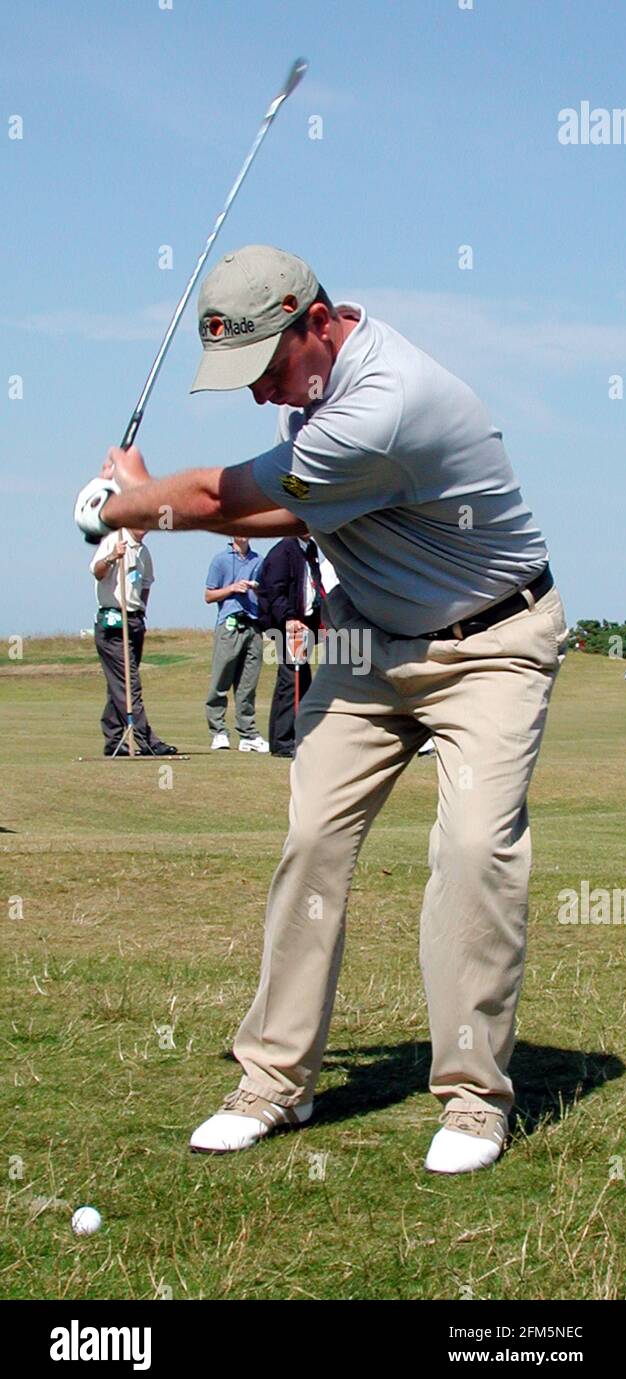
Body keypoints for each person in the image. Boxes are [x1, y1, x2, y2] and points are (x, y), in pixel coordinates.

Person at [78, 243, 568, 1175]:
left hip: (491, 643)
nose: (262, 391)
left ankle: (473, 1103)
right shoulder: (319, 394)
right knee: (313, 842)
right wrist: (146, 503)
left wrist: (121, 505)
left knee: (470, 852)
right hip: (367, 641)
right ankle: (273, 1082)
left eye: (267, 367)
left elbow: (233, 497)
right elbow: (279, 510)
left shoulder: (383, 406)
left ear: (316, 321)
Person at [91, 527, 177, 757]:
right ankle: (147, 740)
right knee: (129, 683)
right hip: (112, 621)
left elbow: (146, 583)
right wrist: (112, 558)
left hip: (134, 619)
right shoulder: (114, 540)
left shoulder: (144, 552)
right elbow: (97, 572)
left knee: (118, 685)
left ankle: (113, 740)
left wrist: (141, 610)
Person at [256, 535, 322, 756]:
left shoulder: (310, 548)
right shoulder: (283, 551)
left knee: (302, 679)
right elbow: (274, 590)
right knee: (291, 681)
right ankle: (283, 741)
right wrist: (288, 619)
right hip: (289, 625)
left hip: (306, 625)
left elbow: (311, 586)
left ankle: (291, 736)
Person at [204, 536, 268, 752]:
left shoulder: (258, 560)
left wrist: (256, 588)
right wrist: (232, 588)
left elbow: (267, 591)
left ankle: (248, 733)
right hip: (229, 625)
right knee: (221, 680)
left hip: (253, 624)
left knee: (247, 684)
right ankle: (218, 731)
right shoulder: (220, 560)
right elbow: (209, 595)